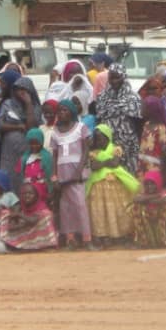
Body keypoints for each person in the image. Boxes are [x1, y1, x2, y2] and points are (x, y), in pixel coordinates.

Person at [87, 124, 140, 247]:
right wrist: (107, 162)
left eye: (100, 138)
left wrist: (102, 162)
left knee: (115, 209)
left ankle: (118, 234)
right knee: (100, 210)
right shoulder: (94, 152)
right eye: (96, 139)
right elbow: (94, 167)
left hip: (114, 184)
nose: (98, 141)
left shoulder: (115, 149)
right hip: (98, 185)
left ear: (107, 137)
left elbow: (115, 163)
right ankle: (103, 235)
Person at [50, 99, 92, 250]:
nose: (61, 113)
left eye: (64, 110)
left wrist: (79, 170)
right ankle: (70, 239)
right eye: (59, 111)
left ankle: (87, 239)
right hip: (62, 176)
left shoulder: (81, 128)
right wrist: (54, 177)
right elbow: (55, 156)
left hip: (76, 175)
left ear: (72, 112)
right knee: (65, 208)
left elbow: (86, 150)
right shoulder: (55, 132)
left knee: (80, 205)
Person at [95, 64, 143, 175]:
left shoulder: (133, 98)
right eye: (111, 78)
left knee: (128, 176)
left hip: (128, 145)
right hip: (107, 145)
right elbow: (99, 120)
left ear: (124, 77)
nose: (114, 81)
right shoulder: (102, 97)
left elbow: (139, 123)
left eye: (117, 77)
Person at [0, 75, 41, 183]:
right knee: (8, 178)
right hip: (9, 151)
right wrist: (18, 127)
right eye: (17, 89)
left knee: (25, 179)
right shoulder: (8, 104)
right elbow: (0, 125)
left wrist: (28, 103)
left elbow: (31, 128)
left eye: (23, 89)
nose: (20, 93)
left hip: (26, 150)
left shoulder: (35, 107)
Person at [0, 182, 59, 252]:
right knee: (5, 214)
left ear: (36, 196)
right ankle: (21, 247)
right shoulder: (18, 207)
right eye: (24, 194)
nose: (27, 196)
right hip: (23, 238)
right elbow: (10, 228)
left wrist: (19, 215)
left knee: (46, 215)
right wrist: (19, 224)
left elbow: (33, 220)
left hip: (39, 239)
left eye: (30, 193)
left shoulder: (42, 208)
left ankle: (45, 245)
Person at [132, 171, 166, 249]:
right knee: (135, 207)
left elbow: (165, 200)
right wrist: (156, 196)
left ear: (158, 183)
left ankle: (163, 241)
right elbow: (135, 199)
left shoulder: (164, 191)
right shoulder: (145, 193)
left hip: (160, 217)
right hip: (146, 218)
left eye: (152, 184)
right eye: (147, 184)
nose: (149, 186)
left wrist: (145, 200)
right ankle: (145, 241)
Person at [19, 128, 53, 204]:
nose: (34, 146)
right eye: (31, 143)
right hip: (28, 191)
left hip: (42, 190)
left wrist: (50, 191)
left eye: (37, 143)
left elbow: (49, 175)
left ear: (42, 142)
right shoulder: (25, 158)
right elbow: (23, 174)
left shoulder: (46, 157)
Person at [138, 95, 166, 177]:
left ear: (151, 110)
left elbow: (164, 150)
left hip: (154, 166)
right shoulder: (146, 125)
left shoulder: (161, 128)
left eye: (144, 107)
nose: (141, 109)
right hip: (142, 163)